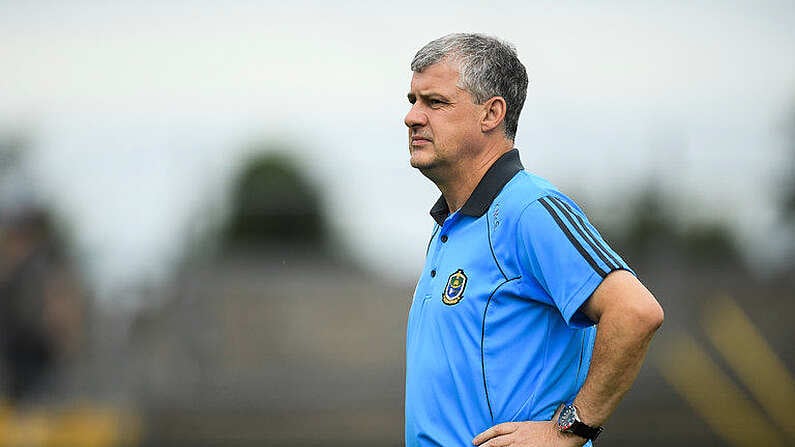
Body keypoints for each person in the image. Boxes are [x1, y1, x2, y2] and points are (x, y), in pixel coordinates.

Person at [403, 33, 664, 447]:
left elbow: (635, 311)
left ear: (491, 114)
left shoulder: (530, 209)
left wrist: (571, 430)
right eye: (413, 100)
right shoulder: (449, 226)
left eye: (435, 102)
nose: (413, 117)